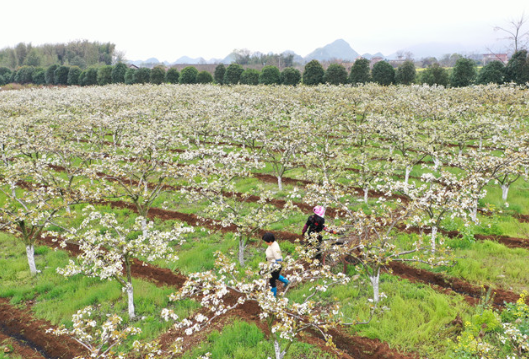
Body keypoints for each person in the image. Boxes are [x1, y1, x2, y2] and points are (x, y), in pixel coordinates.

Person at [263, 232, 289, 297]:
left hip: (276, 266)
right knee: (276, 276)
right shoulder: (272, 244)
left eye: (266, 241)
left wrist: (274, 268)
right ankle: (287, 282)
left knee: (272, 280)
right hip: (272, 264)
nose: (265, 242)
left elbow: (278, 260)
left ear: (270, 241)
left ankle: (273, 297)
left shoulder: (275, 248)